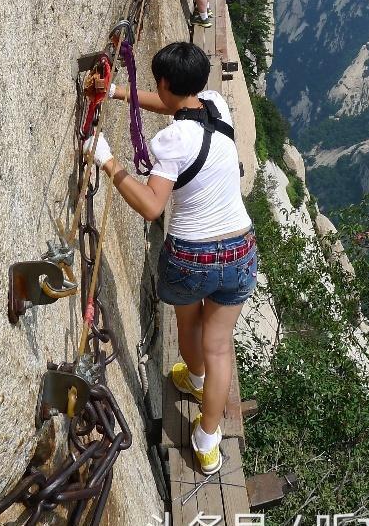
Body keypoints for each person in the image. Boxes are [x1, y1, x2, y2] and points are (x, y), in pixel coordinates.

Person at [85, 42, 257, 476]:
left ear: (163, 81)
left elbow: (151, 207)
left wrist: (108, 161)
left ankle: (194, 379)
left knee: (188, 334)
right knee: (219, 348)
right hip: (239, 250)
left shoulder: (170, 141)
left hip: (191, 256)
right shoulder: (216, 104)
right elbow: (172, 104)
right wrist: (119, 92)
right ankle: (207, 443)